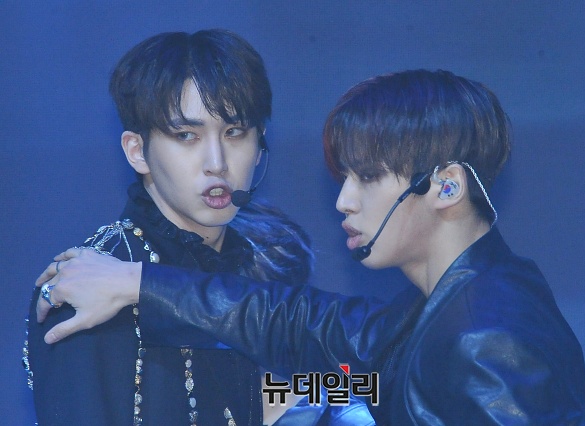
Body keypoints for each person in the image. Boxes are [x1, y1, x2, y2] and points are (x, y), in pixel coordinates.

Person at [35, 69, 585, 424]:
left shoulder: (487, 336)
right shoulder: (449, 304)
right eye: (186, 135)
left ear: (446, 187)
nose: (343, 200)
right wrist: (136, 282)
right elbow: (315, 332)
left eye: (367, 177)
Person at [25, 29, 373, 426]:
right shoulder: (89, 283)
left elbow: (368, 369)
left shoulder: (264, 264)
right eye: (187, 136)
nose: (216, 162)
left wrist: (309, 399)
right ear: (137, 151)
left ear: (260, 146)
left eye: (234, 132)